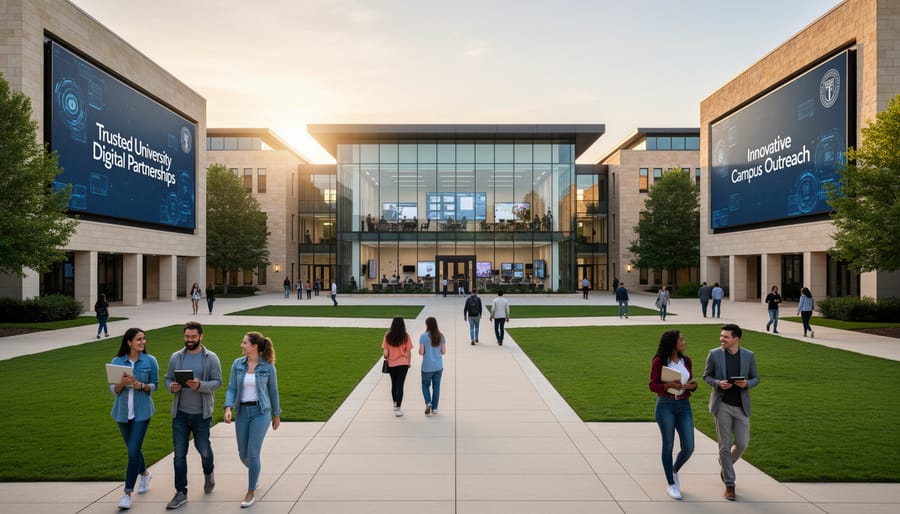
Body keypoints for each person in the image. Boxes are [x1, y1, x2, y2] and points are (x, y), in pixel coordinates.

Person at [164, 321, 223, 510]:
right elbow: (167, 378)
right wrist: (170, 386)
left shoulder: (211, 358)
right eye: (187, 337)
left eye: (193, 337)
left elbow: (218, 382)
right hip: (180, 414)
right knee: (179, 455)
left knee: (204, 450)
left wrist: (200, 386)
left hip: (201, 415)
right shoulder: (176, 357)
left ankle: (209, 473)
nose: (189, 340)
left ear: (201, 336)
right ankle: (181, 492)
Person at [224, 331, 281, 508]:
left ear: (254, 347)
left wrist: (276, 414)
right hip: (242, 412)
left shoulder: (268, 367)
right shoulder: (237, 364)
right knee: (243, 454)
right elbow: (232, 388)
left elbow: (273, 392)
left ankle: (250, 492)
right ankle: (255, 473)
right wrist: (228, 407)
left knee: (253, 452)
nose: (242, 345)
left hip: (260, 412)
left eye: (244, 343)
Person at [703, 323, 760, 501]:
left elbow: (756, 378)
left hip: (741, 406)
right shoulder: (714, 354)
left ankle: (725, 463)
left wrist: (747, 384)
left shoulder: (749, 356)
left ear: (736, 339)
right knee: (724, 445)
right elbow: (706, 376)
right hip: (722, 405)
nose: (722, 339)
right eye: (721, 336)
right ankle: (730, 483)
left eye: (726, 337)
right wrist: (718, 383)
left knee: (742, 443)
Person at [108, 328, 158, 510]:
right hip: (122, 413)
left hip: (142, 413)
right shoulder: (117, 361)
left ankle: (127, 494)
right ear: (129, 342)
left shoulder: (150, 361)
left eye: (144, 339)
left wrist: (140, 385)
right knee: (133, 450)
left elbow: (155, 385)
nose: (143, 342)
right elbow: (113, 389)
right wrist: (122, 383)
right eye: (139, 339)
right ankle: (144, 473)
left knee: (132, 452)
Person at [649, 330, 698, 500]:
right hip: (665, 405)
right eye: (681, 340)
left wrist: (692, 386)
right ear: (672, 343)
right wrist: (668, 384)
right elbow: (652, 385)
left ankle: (674, 469)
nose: (684, 342)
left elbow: (689, 380)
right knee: (668, 444)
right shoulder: (659, 362)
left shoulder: (687, 361)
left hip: (684, 405)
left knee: (689, 446)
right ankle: (671, 484)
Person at [382, 316, 413, 416]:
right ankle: (398, 408)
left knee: (394, 384)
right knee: (400, 385)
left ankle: (395, 404)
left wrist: (387, 355)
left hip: (392, 364)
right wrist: (408, 362)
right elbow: (408, 351)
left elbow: (385, 353)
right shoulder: (406, 336)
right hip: (403, 363)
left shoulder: (387, 335)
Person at [418, 316, 446, 415]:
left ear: (427, 325)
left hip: (427, 366)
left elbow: (421, 352)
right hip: (438, 366)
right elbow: (443, 352)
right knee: (436, 387)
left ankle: (428, 402)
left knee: (425, 385)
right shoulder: (441, 336)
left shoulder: (423, 336)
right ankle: (434, 408)